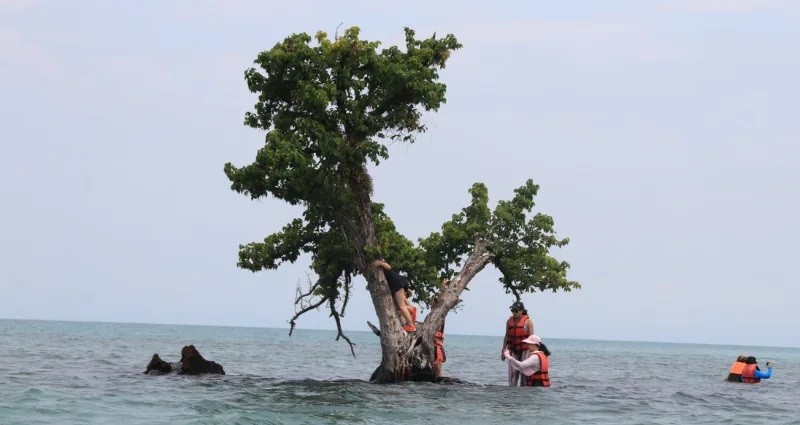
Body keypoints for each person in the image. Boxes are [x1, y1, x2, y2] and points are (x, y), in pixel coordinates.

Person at [370, 259, 416, 332]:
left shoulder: (384, 265)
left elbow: (389, 267)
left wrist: (380, 263)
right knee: (397, 306)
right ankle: (411, 309)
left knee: (401, 306)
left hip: (396, 282)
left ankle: (411, 325)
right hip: (395, 283)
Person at [501, 300, 535, 386]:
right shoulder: (509, 321)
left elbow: (532, 338)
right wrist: (503, 351)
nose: (514, 312)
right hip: (513, 350)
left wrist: (533, 353)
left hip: (525, 351)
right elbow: (506, 336)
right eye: (512, 310)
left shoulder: (528, 321)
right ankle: (512, 394)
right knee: (512, 374)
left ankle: (523, 394)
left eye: (516, 311)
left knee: (524, 374)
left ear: (522, 311)